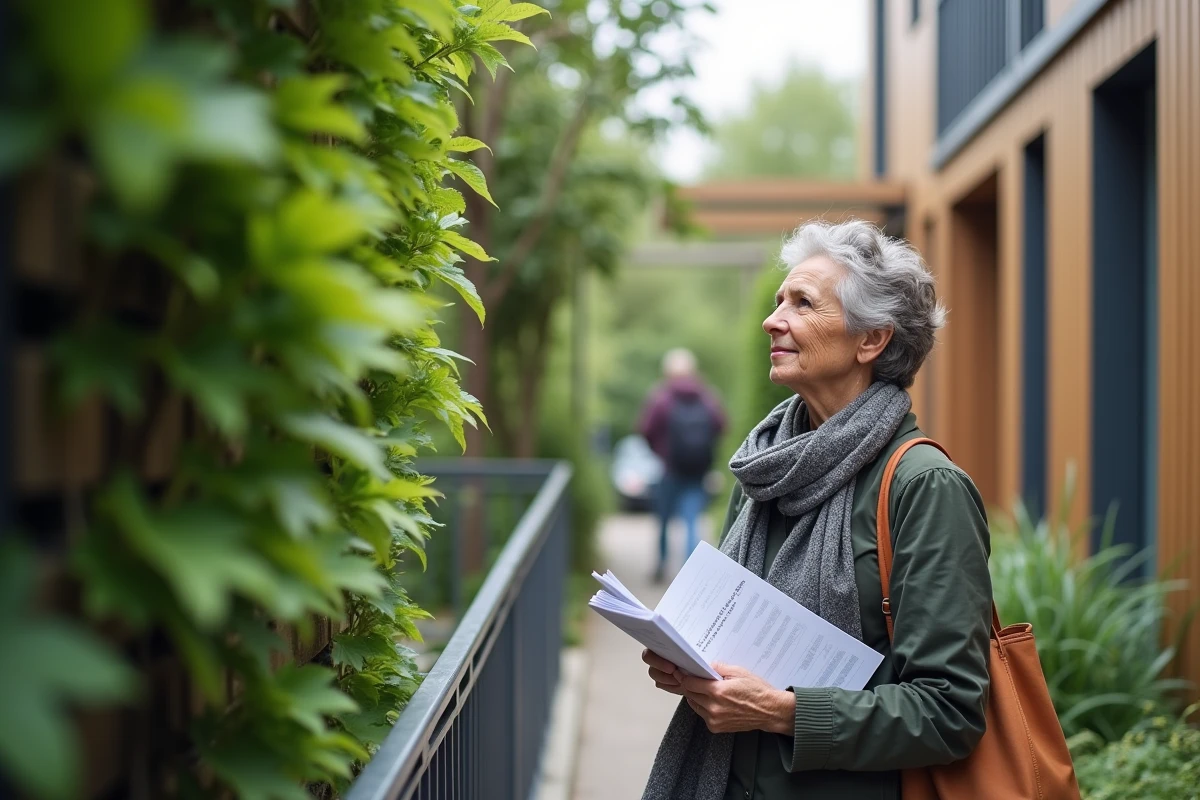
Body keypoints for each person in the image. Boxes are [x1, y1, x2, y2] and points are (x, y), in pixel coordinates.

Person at [639, 220, 993, 800]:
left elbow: (948, 710)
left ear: (871, 340)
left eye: (802, 303)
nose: (772, 319)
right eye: (780, 300)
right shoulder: (763, 469)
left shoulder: (924, 488)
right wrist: (690, 663)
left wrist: (782, 713)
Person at [638, 347, 727, 582]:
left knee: (664, 520)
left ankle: (661, 566)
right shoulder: (707, 396)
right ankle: (691, 574)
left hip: (669, 469)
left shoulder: (661, 398)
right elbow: (721, 426)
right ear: (692, 371)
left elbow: (645, 429)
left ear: (668, 373)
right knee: (691, 521)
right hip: (698, 470)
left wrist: (659, 451)